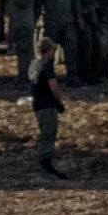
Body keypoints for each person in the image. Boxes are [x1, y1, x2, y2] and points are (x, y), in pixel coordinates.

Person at [26, 45, 68, 178]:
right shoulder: (46, 67)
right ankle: (46, 165)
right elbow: (54, 87)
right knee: (49, 134)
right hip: (48, 104)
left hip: (37, 104)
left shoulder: (33, 64)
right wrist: (60, 103)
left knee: (46, 132)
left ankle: (47, 166)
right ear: (48, 51)